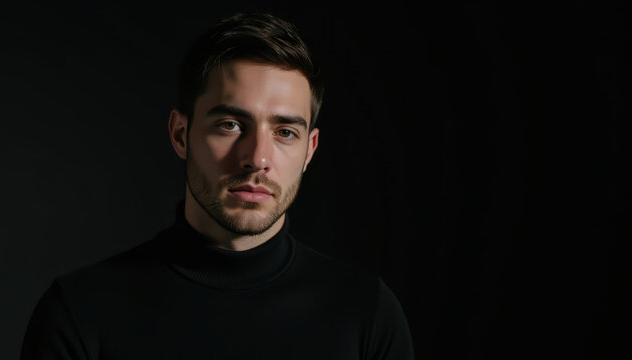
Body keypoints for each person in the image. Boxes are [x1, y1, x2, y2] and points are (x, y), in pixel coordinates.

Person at [20, 12, 414, 359]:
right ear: (180, 134)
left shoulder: (367, 313)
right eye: (230, 125)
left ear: (309, 150)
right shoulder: (80, 313)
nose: (257, 158)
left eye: (285, 132)